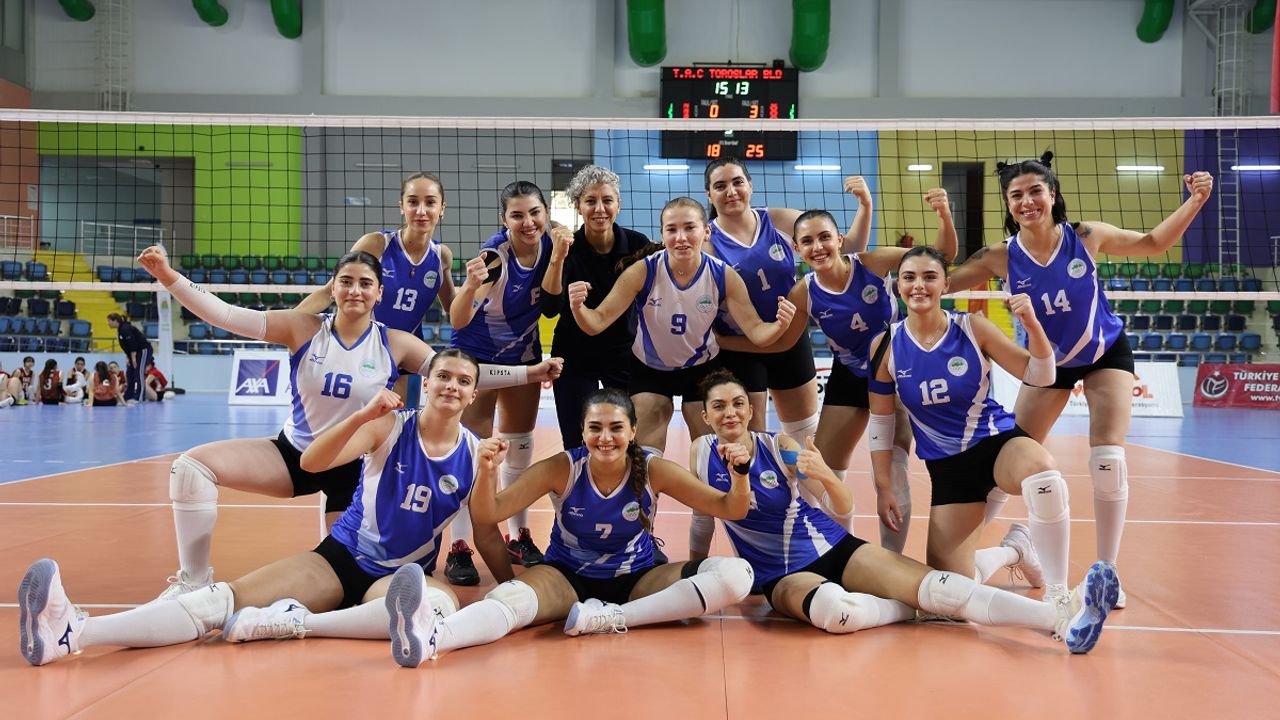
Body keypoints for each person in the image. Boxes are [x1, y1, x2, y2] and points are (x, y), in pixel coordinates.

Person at [16, 351, 513, 667]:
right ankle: (74, 631)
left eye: (462, 380)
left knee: (435, 606)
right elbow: (313, 463)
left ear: (473, 393)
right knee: (219, 602)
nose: (451, 386)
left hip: (401, 574)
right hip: (341, 559)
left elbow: (487, 532)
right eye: (442, 375)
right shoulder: (390, 426)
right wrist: (363, 415)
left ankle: (296, 621)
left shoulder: (477, 455)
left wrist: (510, 583)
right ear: (426, 381)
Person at [136, 246, 560, 601]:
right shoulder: (302, 328)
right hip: (297, 453)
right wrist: (169, 277)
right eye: (347, 281)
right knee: (190, 468)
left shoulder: (394, 342)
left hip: (356, 470)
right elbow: (227, 315)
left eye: (365, 283)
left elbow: (457, 374)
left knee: (344, 582)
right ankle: (193, 582)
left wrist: (530, 373)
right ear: (334, 287)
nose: (355, 290)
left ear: (379, 293)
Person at [947, 153, 1214, 609]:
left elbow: (1153, 243)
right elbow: (940, 282)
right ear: (1007, 204)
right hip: (1047, 364)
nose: (1027, 202)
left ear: (1052, 195)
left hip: (1104, 352)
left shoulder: (1085, 236)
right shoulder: (1000, 256)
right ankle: (962, 557)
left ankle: (1106, 573)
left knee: (1108, 456)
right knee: (1009, 460)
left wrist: (1195, 201)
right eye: (1016, 195)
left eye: (1035, 191)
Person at [691, 369, 1117, 653]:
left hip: (834, 547)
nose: (730, 413)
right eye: (719, 406)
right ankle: (1008, 554)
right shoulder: (700, 454)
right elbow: (703, 518)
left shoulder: (778, 445)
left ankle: (1059, 618)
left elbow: (842, 505)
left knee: (942, 588)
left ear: (750, 409)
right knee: (836, 614)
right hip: (780, 576)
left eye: (738, 403)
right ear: (705, 415)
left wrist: (825, 475)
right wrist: (697, 572)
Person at [384, 387, 756, 668]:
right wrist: (487, 471)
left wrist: (739, 474)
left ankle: (612, 618)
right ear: (582, 431)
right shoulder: (563, 467)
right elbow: (489, 512)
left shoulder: (654, 469)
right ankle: (434, 638)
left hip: (638, 579)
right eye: (595, 428)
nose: (605, 438)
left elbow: (731, 508)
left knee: (736, 574)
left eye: (616, 428)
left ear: (633, 431)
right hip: (567, 576)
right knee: (509, 599)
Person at [717, 194, 956, 551]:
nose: (817, 247)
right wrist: (723, 342)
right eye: (807, 241)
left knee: (892, 471)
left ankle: (889, 560)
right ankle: (838, 550)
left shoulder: (874, 263)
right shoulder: (803, 292)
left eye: (824, 237)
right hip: (850, 376)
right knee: (819, 470)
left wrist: (944, 214)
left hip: (898, 371)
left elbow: (941, 257)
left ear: (840, 240)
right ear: (797, 249)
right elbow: (780, 345)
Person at [866, 246, 1073, 601]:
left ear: (946, 284)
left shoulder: (972, 327)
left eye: (930, 277)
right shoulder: (885, 345)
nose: (919, 285)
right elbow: (881, 422)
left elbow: (1041, 376)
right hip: (949, 470)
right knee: (949, 594)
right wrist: (884, 486)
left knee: (1044, 475)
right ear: (897, 285)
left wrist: (1033, 326)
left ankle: (1059, 593)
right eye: (909, 277)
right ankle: (1015, 550)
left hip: (995, 444)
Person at [568, 196, 795, 456]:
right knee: (644, 455)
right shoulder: (643, 271)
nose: (681, 237)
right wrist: (578, 308)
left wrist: (779, 325)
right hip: (650, 370)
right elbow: (596, 323)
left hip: (702, 369)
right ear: (662, 234)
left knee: (711, 453)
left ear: (706, 232)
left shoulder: (723, 275)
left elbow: (756, 331)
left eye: (689, 228)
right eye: (672, 229)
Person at [703, 160, 873, 452]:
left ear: (750, 186)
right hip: (740, 348)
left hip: (790, 339)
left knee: (805, 437)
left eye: (737, 182)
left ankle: (805, 485)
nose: (731, 191)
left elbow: (848, 250)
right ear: (709, 195)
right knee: (750, 441)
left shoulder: (779, 220)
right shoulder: (707, 242)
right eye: (720, 186)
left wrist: (865, 205)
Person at [450, 180, 574, 574]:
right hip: (477, 358)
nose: (528, 222)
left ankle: (519, 537)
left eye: (534, 212)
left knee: (518, 449)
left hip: (523, 352)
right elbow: (457, 320)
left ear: (546, 213)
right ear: (504, 220)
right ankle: (458, 546)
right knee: (471, 454)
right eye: (517, 215)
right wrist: (470, 285)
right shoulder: (494, 258)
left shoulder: (555, 245)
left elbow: (552, 307)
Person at [296, 171, 457, 406]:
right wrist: (287, 321)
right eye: (413, 202)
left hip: (406, 353)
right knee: (353, 419)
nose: (421, 211)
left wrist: (477, 287)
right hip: (364, 347)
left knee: (400, 421)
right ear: (401, 206)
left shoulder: (441, 256)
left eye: (430, 202)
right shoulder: (377, 244)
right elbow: (329, 291)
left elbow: (454, 309)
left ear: (442, 208)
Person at [540, 165, 654, 451]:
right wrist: (557, 257)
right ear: (578, 206)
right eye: (590, 201)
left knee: (627, 439)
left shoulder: (638, 245)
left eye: (607, 200)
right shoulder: (566, 247)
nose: (600, 209)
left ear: (619, 204)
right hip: (574, 354)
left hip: (624, 353)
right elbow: (550, 309)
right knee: (576, 441)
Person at [108, 313, 151, 404]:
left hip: (143, 350)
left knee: (139, 372)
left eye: (109, 321)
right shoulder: (120, 330)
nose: (108, 323)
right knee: (130, 373)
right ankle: (129, 396)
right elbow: (127, 346)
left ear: (115, 321)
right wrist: (129, 357)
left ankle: (140, 398)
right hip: (133, 353)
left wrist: (133, 358)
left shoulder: (125, 329)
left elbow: (132, 344)